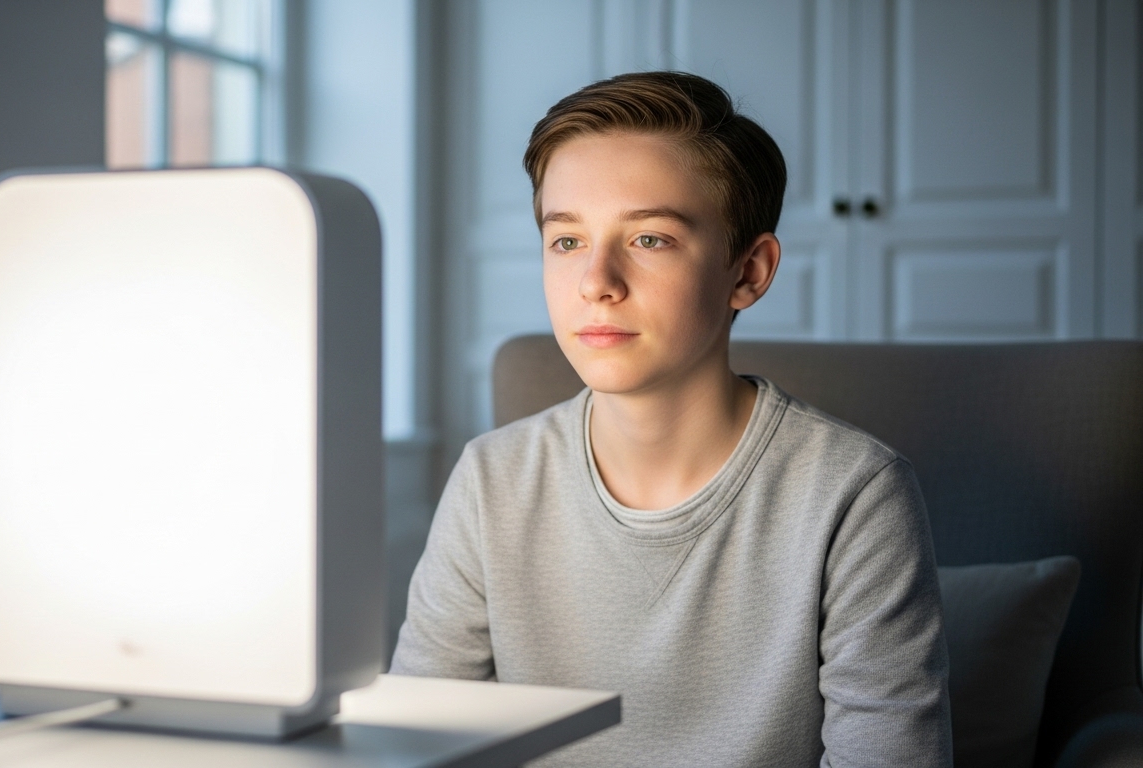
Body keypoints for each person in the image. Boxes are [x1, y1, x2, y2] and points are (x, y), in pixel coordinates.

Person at [389, 71, 951, 766]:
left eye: (649, 239)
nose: (596, 281)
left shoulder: (854, 493)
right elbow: (413, 744)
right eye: (567, 241)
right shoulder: (490, 479)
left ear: (748, 271)